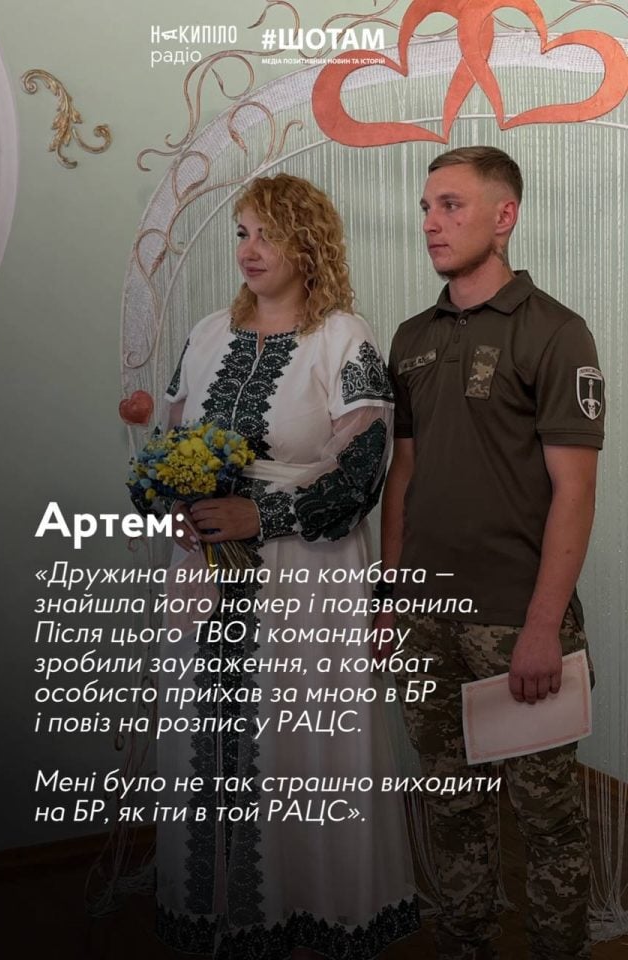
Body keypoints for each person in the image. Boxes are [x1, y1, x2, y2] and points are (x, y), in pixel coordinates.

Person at [152, 173, 418, 959]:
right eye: (242, 232)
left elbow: (363, 474)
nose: (251, 249)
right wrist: (175, 505)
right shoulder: (206, 334)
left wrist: (259, 515)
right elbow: (169, 446)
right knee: (208, 732)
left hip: (305, 574)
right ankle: (219, 911)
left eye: (268, 233)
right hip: (206, 571)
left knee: (293, 742)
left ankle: (312, 909)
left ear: (309, 244)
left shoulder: (343, 339)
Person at [377, 146, 604, 959]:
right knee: (450, 802)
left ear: (504, 216)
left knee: (546, 817)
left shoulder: (556, 333)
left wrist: (543, 627)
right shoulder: (410, 338)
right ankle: (464, 941)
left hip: (516, 621)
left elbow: (575, 491)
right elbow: (403, 475)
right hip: (426, 618)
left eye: (451, 206)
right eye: (426, 207)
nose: (430, 223)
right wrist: (391, 599)